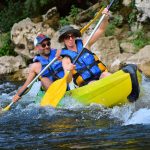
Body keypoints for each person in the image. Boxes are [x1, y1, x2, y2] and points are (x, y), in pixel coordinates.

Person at [12, 34, 74, 102]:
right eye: (43, 45)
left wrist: (64, 58)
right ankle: (59, 98)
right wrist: (18, 95)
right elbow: (27, 86)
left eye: (48, 44)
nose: (47, 46)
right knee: (44, 79)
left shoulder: (58, 53)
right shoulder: (35, 66)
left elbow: (73, 54)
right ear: (37, 47)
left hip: (67, 86)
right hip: (52, 92)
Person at [58, 8, 111, 87]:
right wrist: (68, 70)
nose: (70, 39)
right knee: (93, 84)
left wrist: (105, 18)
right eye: (67, 37)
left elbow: (101, 29)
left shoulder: (85, 43)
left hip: (100, 75)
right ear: (63, 40)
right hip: (87, 83)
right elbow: (68, 80)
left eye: (72, 36)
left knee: (107, 75)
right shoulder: (66, 59)